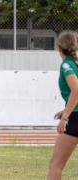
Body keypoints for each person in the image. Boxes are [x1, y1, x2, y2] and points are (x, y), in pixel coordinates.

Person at [47, 31, 78, 180]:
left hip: (75, 118)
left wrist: (65, 117)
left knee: (56, 165)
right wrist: (65, 109)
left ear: (58, 47)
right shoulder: (75, 64)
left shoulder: (67, 65)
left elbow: (76, 90)